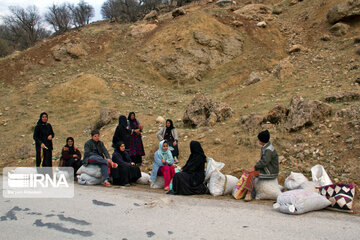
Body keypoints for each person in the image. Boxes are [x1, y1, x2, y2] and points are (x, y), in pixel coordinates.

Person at [243, 130, 279, 201]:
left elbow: (264, 162)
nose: (258, 140)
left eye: (259, 139)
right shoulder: (266, 147)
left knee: (252, 174)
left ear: (262, 140)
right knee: (250, 172)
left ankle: (249, 194)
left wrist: (255, 168)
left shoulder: (268, 150)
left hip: (269, 171)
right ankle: (250, 191)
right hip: (267, 168)